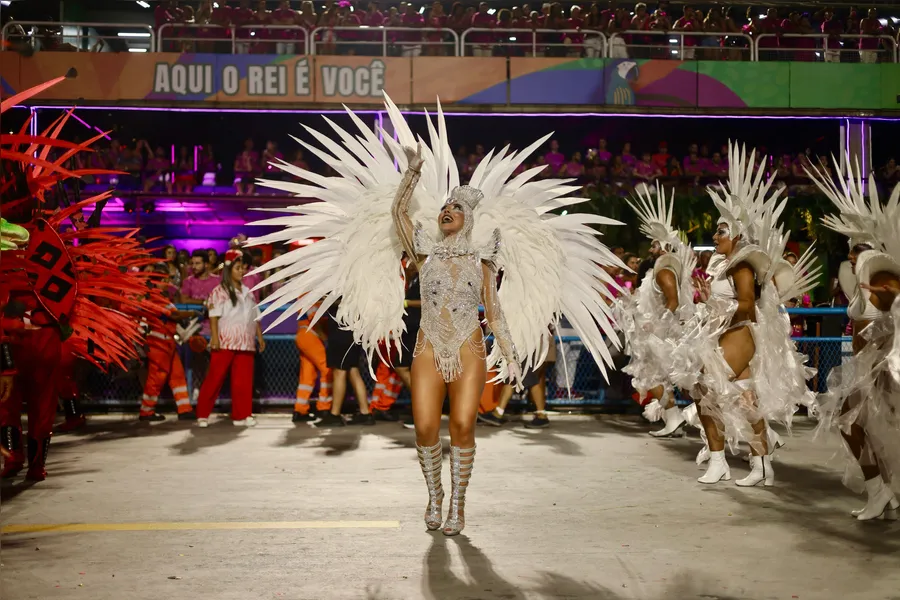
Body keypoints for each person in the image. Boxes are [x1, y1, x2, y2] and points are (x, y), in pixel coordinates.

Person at [247, 95, 623, 537]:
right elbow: (397, 215)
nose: (447, 210)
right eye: (445, 207)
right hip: (427, 345)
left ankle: (459, 504)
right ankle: (434, 495)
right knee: (425, 427)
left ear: (469, 217)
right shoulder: (423, 251)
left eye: (456, 208)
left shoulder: (483, 252)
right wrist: (411, 172)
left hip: (469, 345)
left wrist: (511, 350)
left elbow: (493, 305)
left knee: (463, 425)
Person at [690, 142, 818, 487]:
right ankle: (762, 463)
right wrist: (706, 301)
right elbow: (729, 302)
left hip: (739, 333)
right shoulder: (726, 265)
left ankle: (720, 462)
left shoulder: (743, 265)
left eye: (720, 231)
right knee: (746, 399)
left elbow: (746, 306)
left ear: (735, 236)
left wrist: (720, 330)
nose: (715, 235)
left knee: (703, 391)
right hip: (729, 331)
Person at [807, 156, 900, 520]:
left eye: (854, 249)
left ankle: (881, 491)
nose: (848, 255)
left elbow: (892, 318)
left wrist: (879, 352)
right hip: (864, 366)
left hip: (881, 369)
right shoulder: (864, 278)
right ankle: (883, 492)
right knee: (861, 426)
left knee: (856, 422)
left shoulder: (883, 276)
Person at [617, 183, 696, 438]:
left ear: (662, 247)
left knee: (651, 378)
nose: (649, 250)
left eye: (652, 246)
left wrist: (658, 328)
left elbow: (672, 301)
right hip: (654, 331)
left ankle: (685, 417)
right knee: (653, 377)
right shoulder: (657, 269)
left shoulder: (663, 270)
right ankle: (674, 420)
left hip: (660, 333)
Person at [196, 250, 266, 427]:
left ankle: (243, 415)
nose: (242, 271)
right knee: (214, 378)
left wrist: (260, 337)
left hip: (246, 342)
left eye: (243, 268)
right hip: (225, 340)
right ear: (229, 269)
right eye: (238, 267)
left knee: (243, 381)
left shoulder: (248, 291)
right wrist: (214, 338)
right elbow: (213, 316)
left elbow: (255, 316)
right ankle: (202, 414)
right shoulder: (219, 291)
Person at [139, 265, 201, 422]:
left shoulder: (161, 297)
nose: (167, 282)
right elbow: (175, 315)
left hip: (167, 344)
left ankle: (184, 409)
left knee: (177, 376)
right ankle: (146, 411)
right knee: (156, 378)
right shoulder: (154, 298)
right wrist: (195, 313)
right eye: (164, 280)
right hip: (158, 345)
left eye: (167, 279)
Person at [292, 300, 332, 423]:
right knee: (328, 370)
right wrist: (326, 339)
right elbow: (316, 320)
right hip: (311, 335)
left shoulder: (309, 294)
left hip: (305, 335)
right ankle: (324, 407)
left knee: (307, 376)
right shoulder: (310, 295)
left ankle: (300, 410)